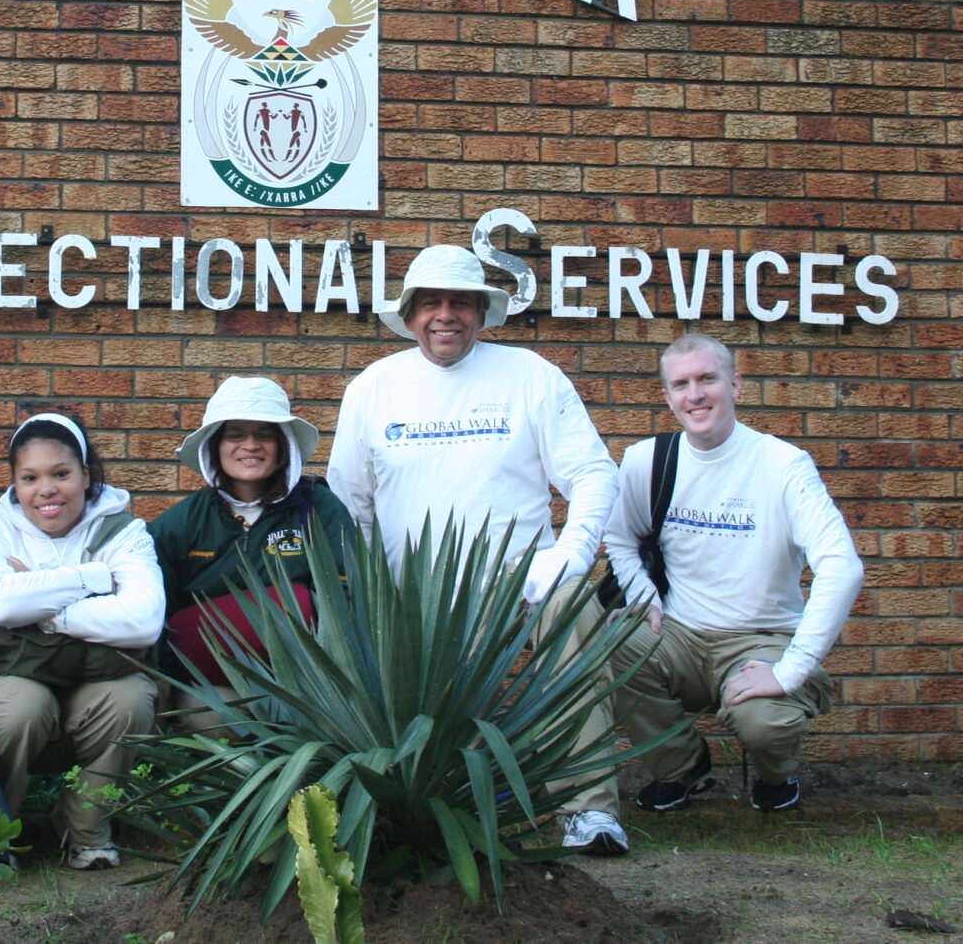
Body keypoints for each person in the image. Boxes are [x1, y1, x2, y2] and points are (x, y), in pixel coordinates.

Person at [326, 244, 627, 855]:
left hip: (523, 572)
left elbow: (594, 473)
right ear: (409, 315)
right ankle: (430, 812)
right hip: (412, 584)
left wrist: (569, 553)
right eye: (431, 303)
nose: (446, 315)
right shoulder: (373, 388)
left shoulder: (531, 376)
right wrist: (365, 592)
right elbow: (348, 506)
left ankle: (588, 810)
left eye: (460, 302)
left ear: (482, 313)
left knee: (575, 608)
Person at [604, 334, 864, 815]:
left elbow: (842, 567)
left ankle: (775, 774)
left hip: (759, 637)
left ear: (736, 384)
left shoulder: (784, 465)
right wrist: (643, 596)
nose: (695, 395)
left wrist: (790, 670)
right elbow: (620, 538)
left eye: (707, 379)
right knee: (602, 645)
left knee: (766, 725)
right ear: (667, 397)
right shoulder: (647, 461)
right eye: (680, 384)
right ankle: (682, 768)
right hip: (678, 634)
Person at [0, 414, 165, 870]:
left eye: (61, 474)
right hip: (13, 680)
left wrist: (43, 605)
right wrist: (93, 578)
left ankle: (86, 827)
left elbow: (143, 620)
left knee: (131, 699)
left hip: (97, 681)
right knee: (17, 709)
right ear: (14, 483)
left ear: (86, 476)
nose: (46, 489)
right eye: (30, 478)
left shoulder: (124, 532)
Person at [150, 376, 354, 725]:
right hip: (215, 683)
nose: (251, 445)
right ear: (214, 445)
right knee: (212, 720)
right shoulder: (182, 523)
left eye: (265, 434)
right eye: (235, 434)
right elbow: (153, 612)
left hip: (309, 684)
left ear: (283, 444)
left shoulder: (319, 508)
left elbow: (351, 598)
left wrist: (298, 608)